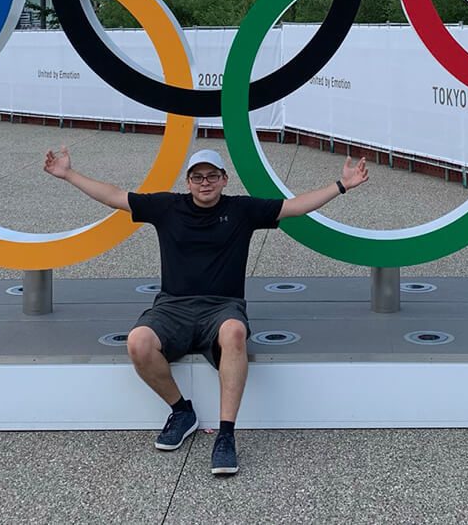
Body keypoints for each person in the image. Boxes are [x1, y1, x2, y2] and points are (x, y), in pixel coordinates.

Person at [44, 145, 369, 476]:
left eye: (212, 176)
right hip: (173, 307)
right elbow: (113, 196)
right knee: (138, 341)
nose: (205, 183)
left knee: (235, 332)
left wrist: (341, 185)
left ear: (224, 179)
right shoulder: (167, 206)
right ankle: (182, 411)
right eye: (197, 177)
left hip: (222, 307)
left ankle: (226, 436)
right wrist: (68, 173)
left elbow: (294, 207)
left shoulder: (241, 210)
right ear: (188, 181)